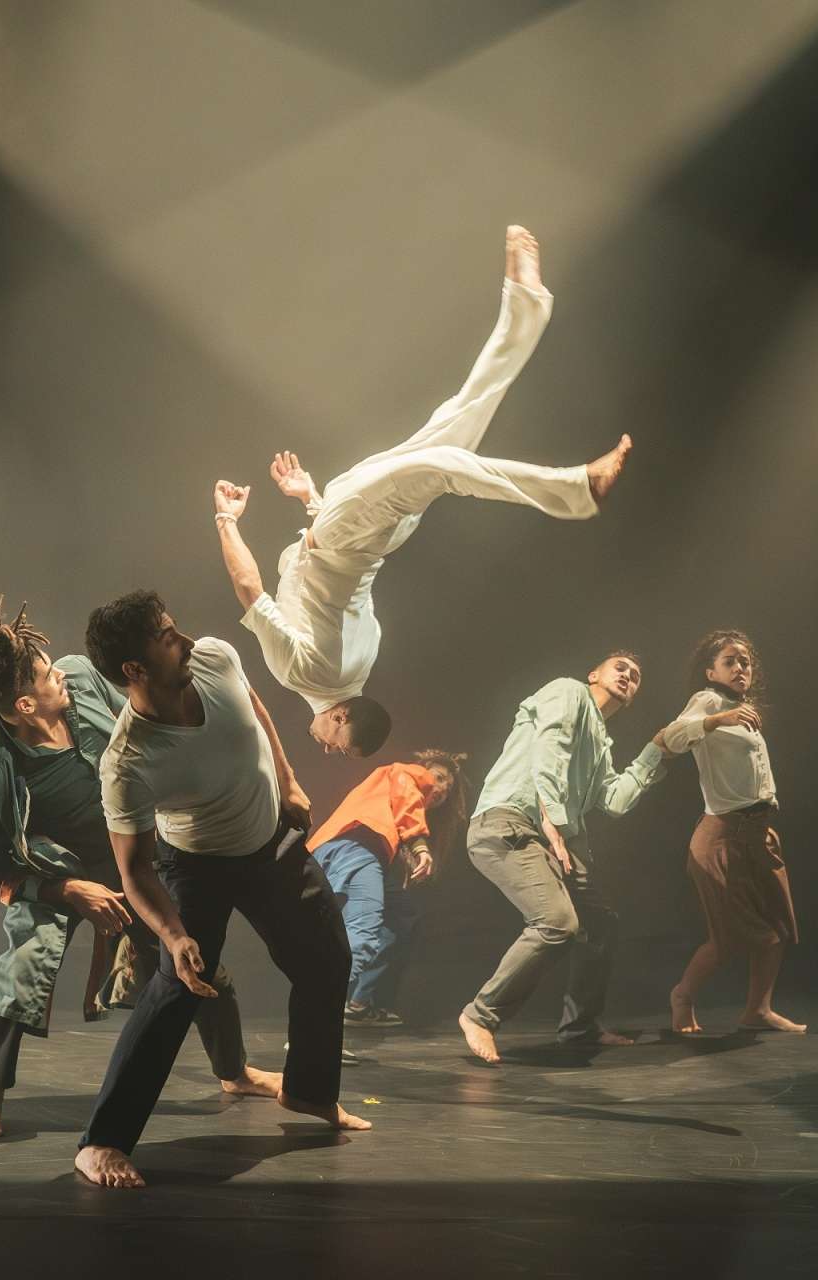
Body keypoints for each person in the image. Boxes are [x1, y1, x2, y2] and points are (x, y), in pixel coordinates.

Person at [212, 226, 634, 758]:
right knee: (446, 460)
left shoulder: (361, 664)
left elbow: (326, 587)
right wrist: (227, 520)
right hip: (350, 530)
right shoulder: (307, 675)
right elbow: (253, 590)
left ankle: (528, 307)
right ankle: (578, 488)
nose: (325, 747)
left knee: (462, 416)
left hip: (367, 530)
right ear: (342, 716)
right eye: (337, 745)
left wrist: (308, 496)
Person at [73, 591, 370, 1189]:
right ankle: (102, 1142)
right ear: (134, 669)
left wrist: (287, 779)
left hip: (271, 846)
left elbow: (254, 709)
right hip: (196, 866)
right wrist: (174, 935)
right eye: (166, 638)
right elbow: (134, 871)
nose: (184, 640)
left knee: (327, 961)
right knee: (177, 988)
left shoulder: (213, 657)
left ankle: (309, 1094)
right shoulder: (128, 761)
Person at [0, 598, 279, 1140]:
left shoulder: (81, 678)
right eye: (44, 675)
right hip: (56, 873)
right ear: (24, 704)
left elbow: (144, 716)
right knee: (24, 963)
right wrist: (64, 889)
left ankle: (235, 1071)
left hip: (128, 858)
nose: (58, 670)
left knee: (195, 960)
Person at [458, 652, 668, 1064]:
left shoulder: (601, 745)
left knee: (601, 923)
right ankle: (479, 1014)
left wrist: (656, 751)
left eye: (636, 675)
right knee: (556, 922)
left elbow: (615, 801)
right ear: (594, 674)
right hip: (509, 822)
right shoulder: (569, 691)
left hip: (552, 838)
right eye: (620, 667)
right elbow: (548, 749)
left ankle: (579, 1027)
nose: (628, 675)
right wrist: (552, 818)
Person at [658, 630, 804, 1035]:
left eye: (746, 662)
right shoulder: (709, 702)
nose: (741, 667)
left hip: (759, 833)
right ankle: (683, 995)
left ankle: (758, 1010)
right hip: (722, 835)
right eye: (730, 661)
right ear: (711, 671)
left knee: (776, 929)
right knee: (729, 936)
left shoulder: (746, 709)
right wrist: (718, 718)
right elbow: (670, 739)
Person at [308, 748, 469, 1028]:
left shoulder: (390, 810)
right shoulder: (406, 773)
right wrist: (420, 847)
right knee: (363, 937)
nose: (441, 788)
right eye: (440, 777)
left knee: (401, 918)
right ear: (424, 769)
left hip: (353, 853)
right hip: (356, 849)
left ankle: (358, 1003)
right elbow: (408, 802)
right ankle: (312, 1029)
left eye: (448, 786)